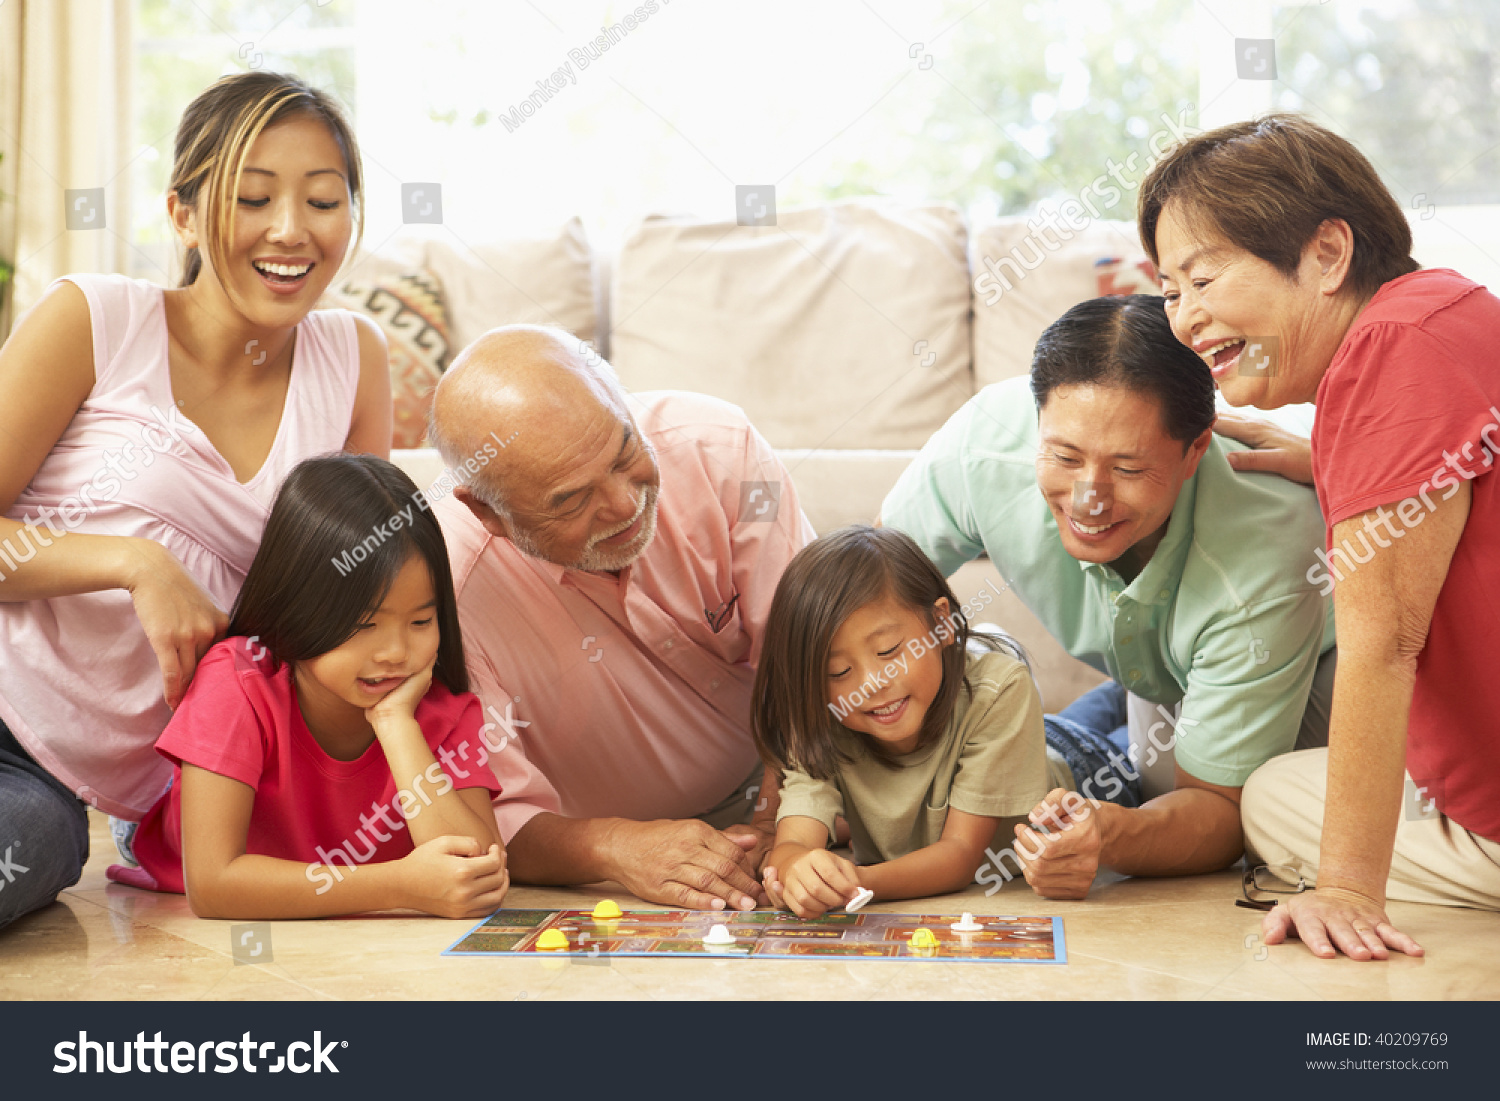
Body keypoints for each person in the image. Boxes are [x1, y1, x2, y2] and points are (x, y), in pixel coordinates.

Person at [0, 72, 391, 930]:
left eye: (324, 200)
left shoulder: (353, 360)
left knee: (31, 844)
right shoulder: (96, 320)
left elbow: (361, 602)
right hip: (7, 706)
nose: (290, 229)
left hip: (105, 786)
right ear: (182, 213)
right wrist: (136, 563)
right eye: (253, 197)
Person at [1142, 112, 1500, 960]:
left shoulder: (1386, 353)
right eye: (1170, 291)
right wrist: (1336, 464)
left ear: (1328, 254)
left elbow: (1386, 643)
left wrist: (1345, 888)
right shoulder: (1448, 311)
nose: (1186, 319)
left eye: (1203, 277)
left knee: (1268, 799)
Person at [879, 294, 1336, 899]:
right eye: (1064, 457)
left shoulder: (1262, 563)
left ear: (1195, 450)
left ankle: (1122, 719)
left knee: (1179, 797)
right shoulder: (983, 445)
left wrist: (1110, 837)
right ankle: (1119, 707)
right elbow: (859, 599)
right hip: (1172, 663)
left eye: (1127, 469)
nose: (1089, 501)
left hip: (1312, 662)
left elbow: (1219, 813)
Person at [428, 325, 814, 911]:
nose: (624, 504)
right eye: (572, 500)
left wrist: (778, 820)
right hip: (601, 863)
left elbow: (812, 662)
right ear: (489, 513)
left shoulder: (722, 449)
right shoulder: (445, 590)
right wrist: (610, 847)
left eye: (623, 455)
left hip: (796, 786)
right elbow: (487, 820)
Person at [105, 454, 506, 918]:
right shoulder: (235, 683)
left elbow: (475, 872)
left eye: (420, 621)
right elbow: (213, 886)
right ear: (298, 610)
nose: (396, 652)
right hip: (179, 844)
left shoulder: (445, 710)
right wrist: (399, 886)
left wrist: (396, 724)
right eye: (364, 625)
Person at [753, 526, 1051, 918]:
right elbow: (792, 846)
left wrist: (851, 882)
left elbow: (960, 856)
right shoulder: (823, 720)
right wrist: (796, 873)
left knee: (1111, 727)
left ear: (941, 623)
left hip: (1067, 754)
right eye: (838, 672)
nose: (871, 684)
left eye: (888, 651)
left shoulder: (1000, 691)